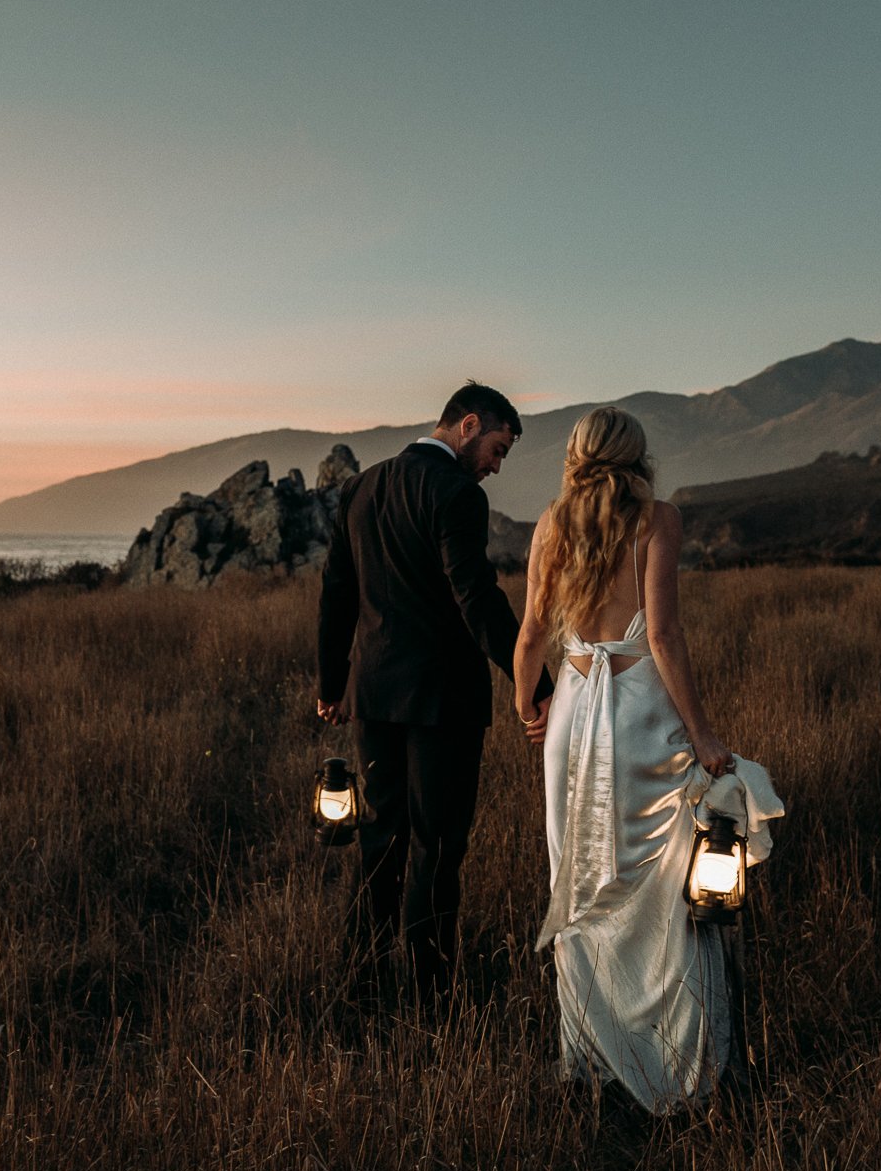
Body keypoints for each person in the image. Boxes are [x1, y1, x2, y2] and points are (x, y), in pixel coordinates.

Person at [512, 405, 747, 1111]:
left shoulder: (551, 524)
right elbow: (665, 633)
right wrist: (703, 733)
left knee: (579, 882)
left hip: (574, 713)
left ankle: (592, 1058)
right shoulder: (658, 519)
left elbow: (528, 637)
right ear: (635, 454)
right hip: (640, 715)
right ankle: (673, 1061)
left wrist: (531, 708)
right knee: (660, 886)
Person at [317, 382, 553, 1008]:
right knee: (437, 849)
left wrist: (331, 682)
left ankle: (362, 987)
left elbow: (337, 590)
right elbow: (476, 598)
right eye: (498, 449)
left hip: (373, 696)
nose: (497, 467)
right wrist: (536, 687)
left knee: (379, 839)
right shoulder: (455, 494)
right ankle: (430, 1000)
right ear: (469, 425)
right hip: (442, 703)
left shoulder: (363, 486)